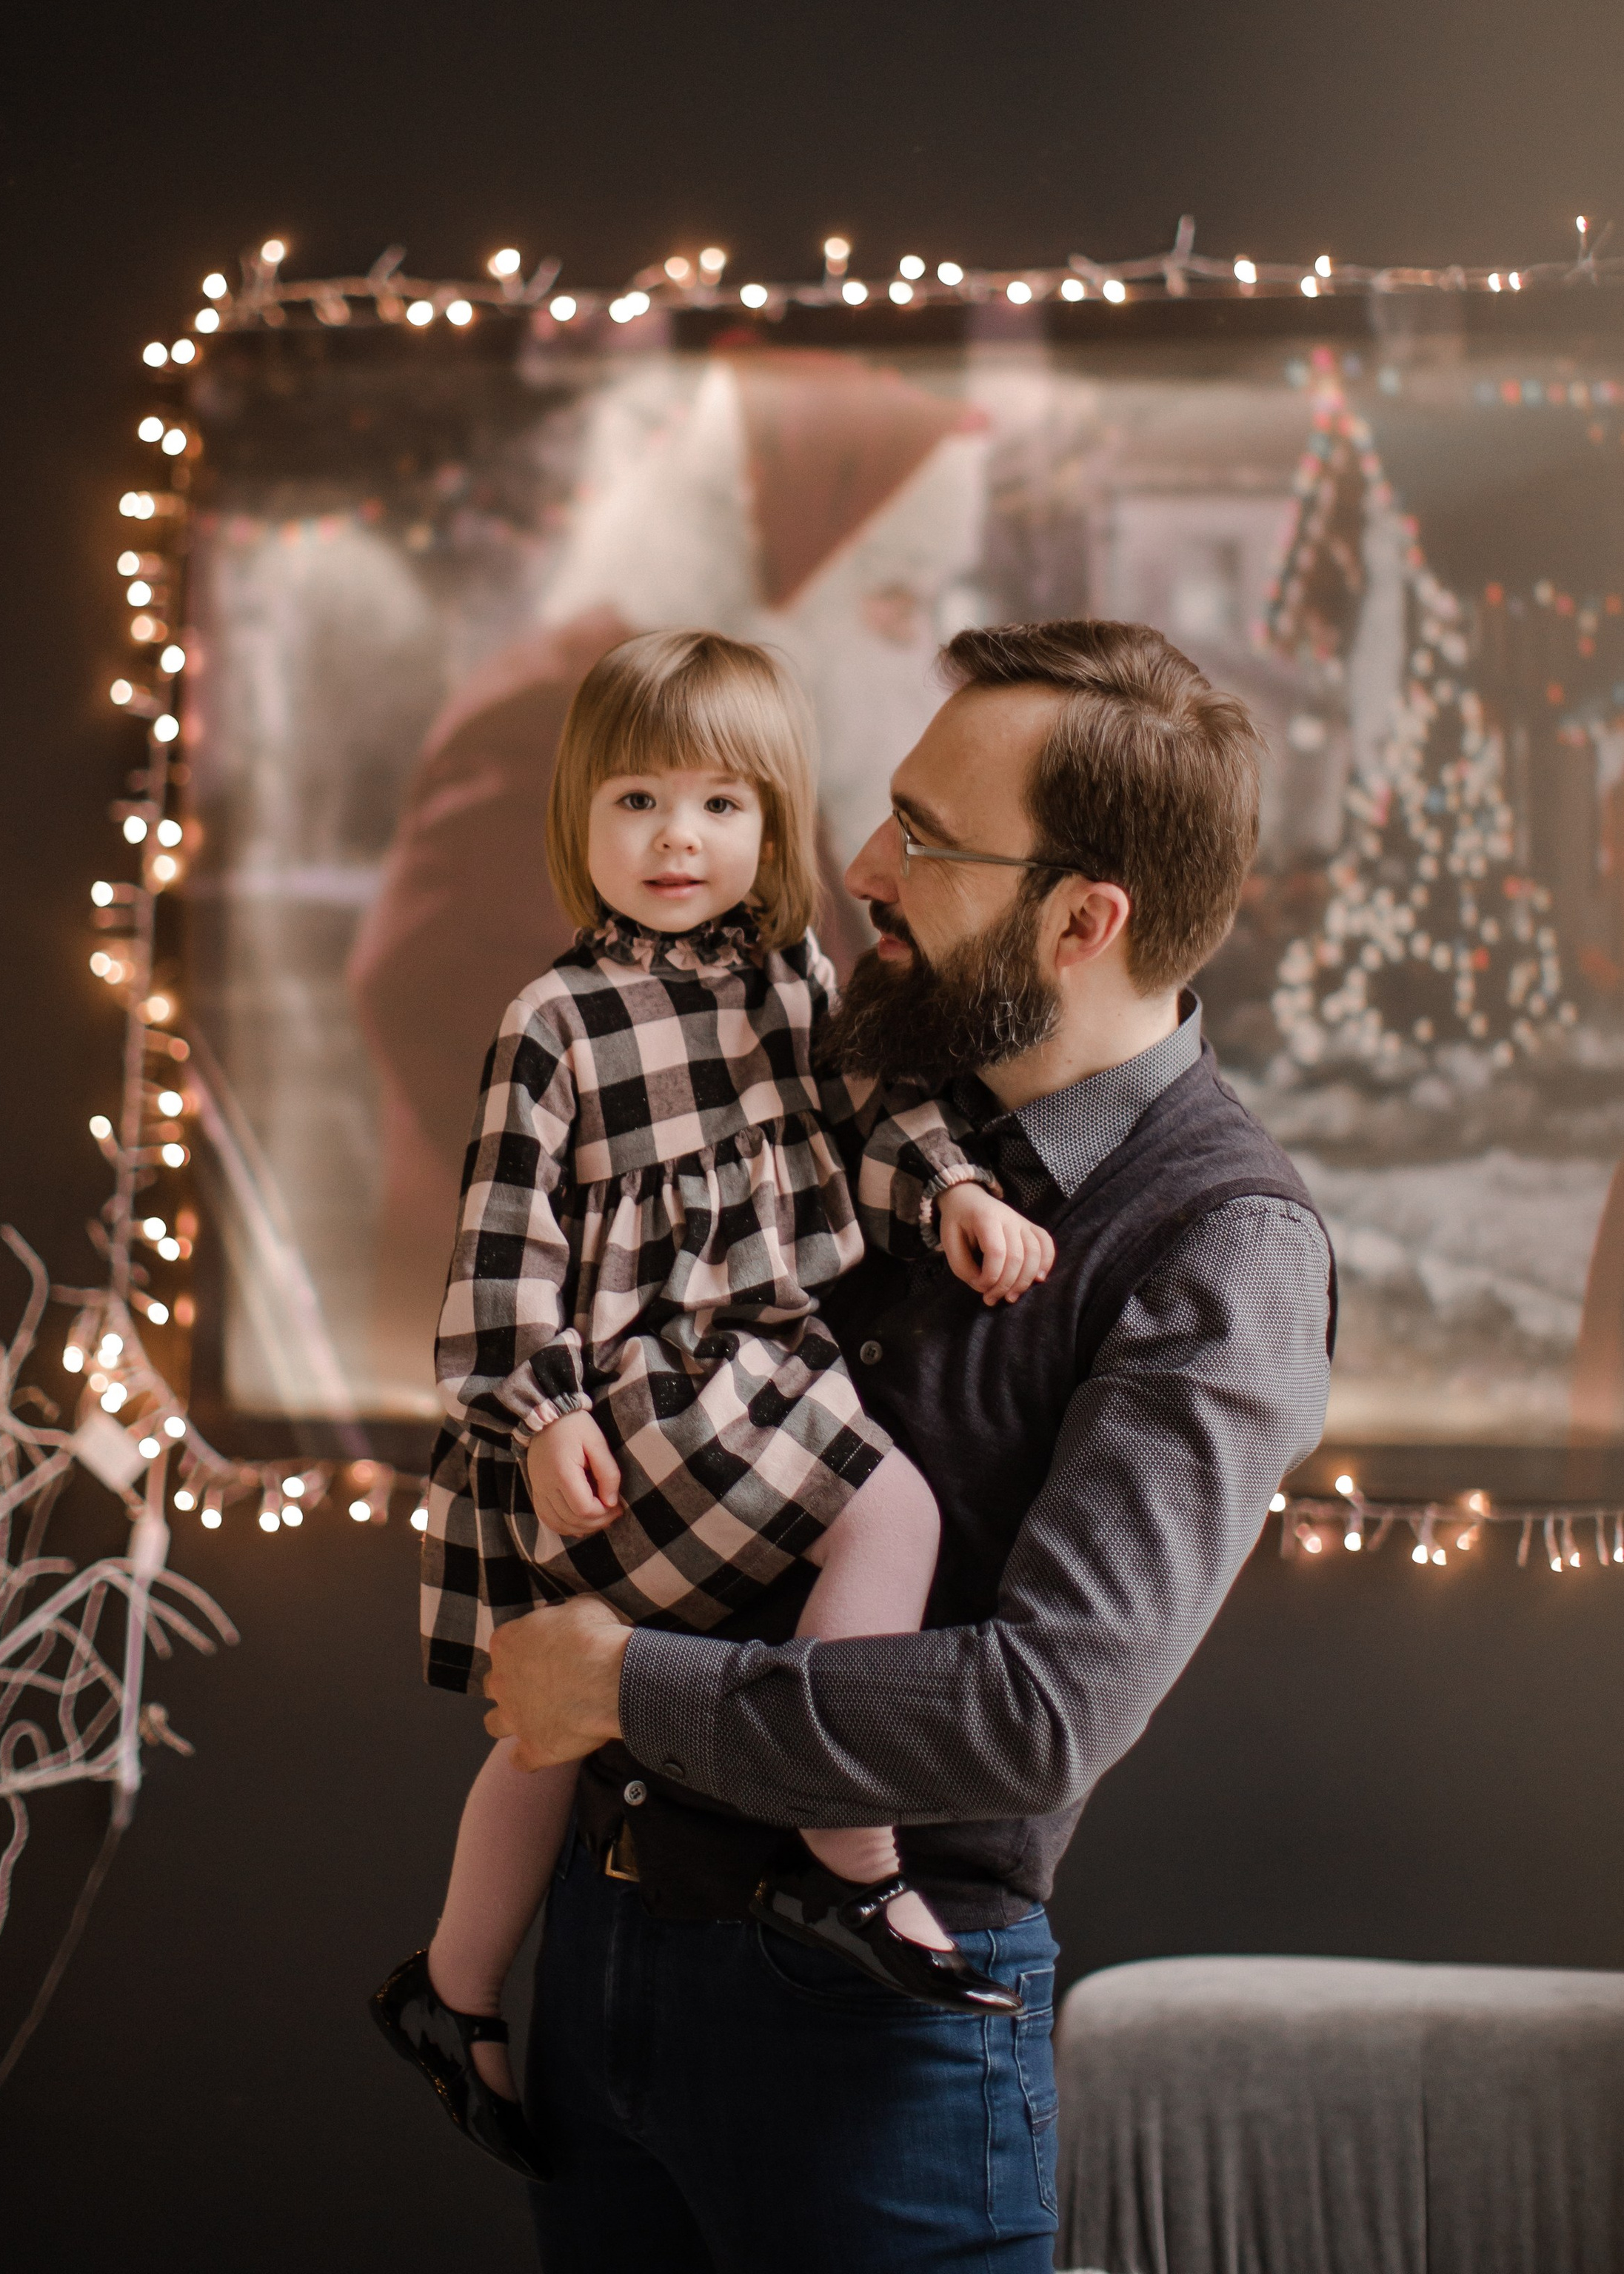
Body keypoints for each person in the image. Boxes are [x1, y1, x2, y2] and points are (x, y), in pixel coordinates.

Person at [478, 619, 1337, 2274]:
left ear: (1083, 920)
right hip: (599, 1956)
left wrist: (619, 1688)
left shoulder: (1222, 1248)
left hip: (870, 2024)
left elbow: (1037, 1712)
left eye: (925, 843)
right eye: (884, 813)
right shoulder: (836, 1082)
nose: (857, 865)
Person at [373, 629, 1057, 2176]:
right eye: (633, 802)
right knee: (883, 1507)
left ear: (772, 822)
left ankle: (457, 1985)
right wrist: (543, 1414)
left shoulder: (789, 978)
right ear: (575, 816)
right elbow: (502, 1252)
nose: (675, 841)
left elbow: (869, 1116)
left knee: (558, 1723)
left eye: (717, 806)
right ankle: (849, 1843)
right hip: (634, 1395)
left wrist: (948, 1192)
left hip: (745, 1372)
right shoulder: (556, 1022)